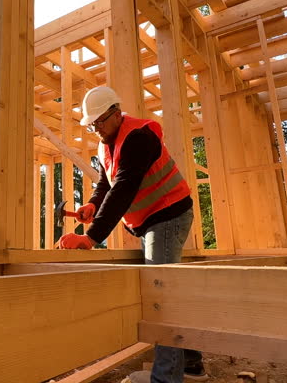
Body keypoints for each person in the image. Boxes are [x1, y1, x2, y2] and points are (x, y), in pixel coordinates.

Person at [57, 86, 207, 383]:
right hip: (152, 222)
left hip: (169, 215)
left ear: (116, 113)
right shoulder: (107, 143)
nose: (95, 128)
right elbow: (107, 184)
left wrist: (91, 237)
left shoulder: (139, 137)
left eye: (99, 121)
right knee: (166, 292)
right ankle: (189, 364)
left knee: (160, 295)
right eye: (92, 124)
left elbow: (125, 187)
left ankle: (166, 379)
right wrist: (92, 203)